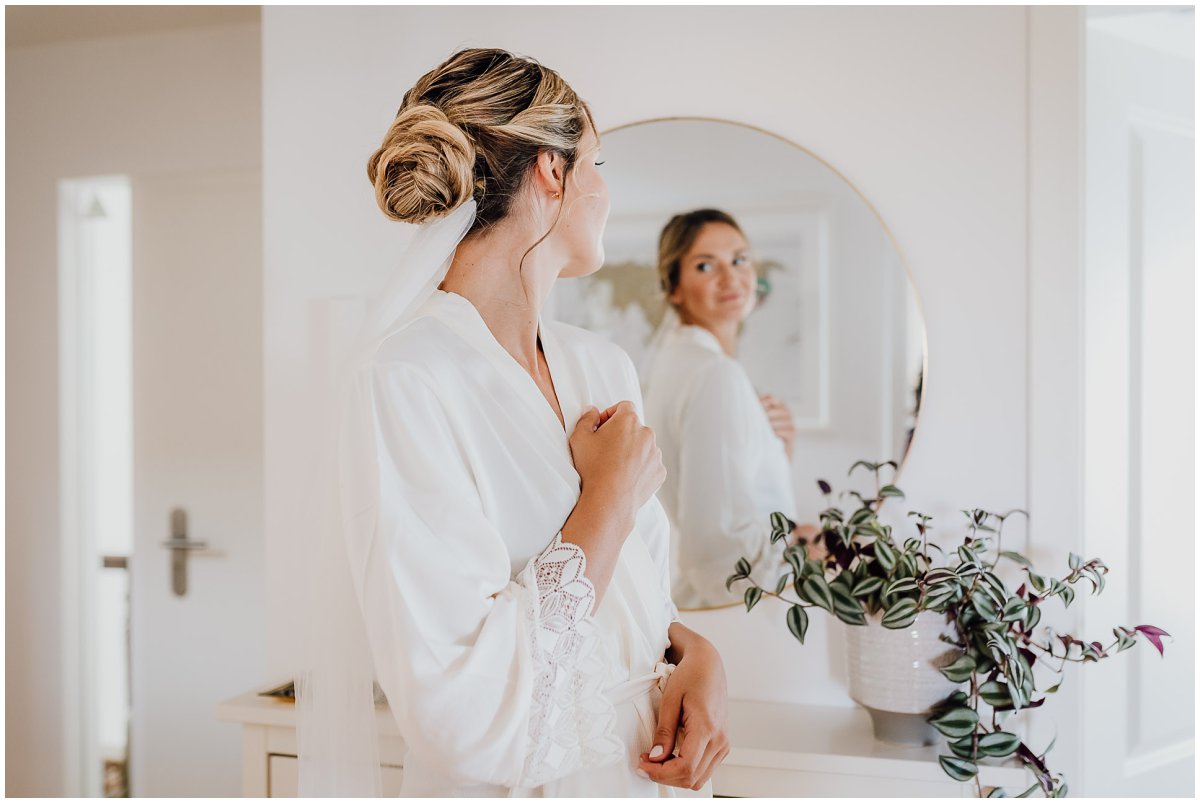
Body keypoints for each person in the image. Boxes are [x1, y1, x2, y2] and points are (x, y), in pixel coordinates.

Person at [295, 48, 729, 797]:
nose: (603, 191)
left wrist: (697, 657)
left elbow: (634, 603)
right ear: (551, 170)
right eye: (596, 162)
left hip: (638, 777)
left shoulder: (603, 368)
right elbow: (459, 713)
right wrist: (604, 500)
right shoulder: (407, 379)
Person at [641, 209, 824, 610]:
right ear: (673, 287)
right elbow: (716, 549)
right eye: (706, 265)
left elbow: (723, 496)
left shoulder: (683, 363)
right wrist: (809, 545)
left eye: (740, 259)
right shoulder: (714, 375)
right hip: (735, 618)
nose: (731, 278)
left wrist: (774, 452)